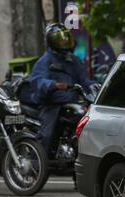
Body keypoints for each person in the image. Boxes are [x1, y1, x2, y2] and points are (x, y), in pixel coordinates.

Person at [30, 23, 99, 154]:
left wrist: (93, 85)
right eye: (60, 40)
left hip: (70, 101)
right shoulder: (45, 61)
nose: (64, 42)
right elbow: (38, 81)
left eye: (66, 39)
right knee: (46, 134)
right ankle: (36, 162)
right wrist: (53, 85)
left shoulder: (72, 60)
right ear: (51, 41)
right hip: (52, 104)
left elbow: (83, 79)